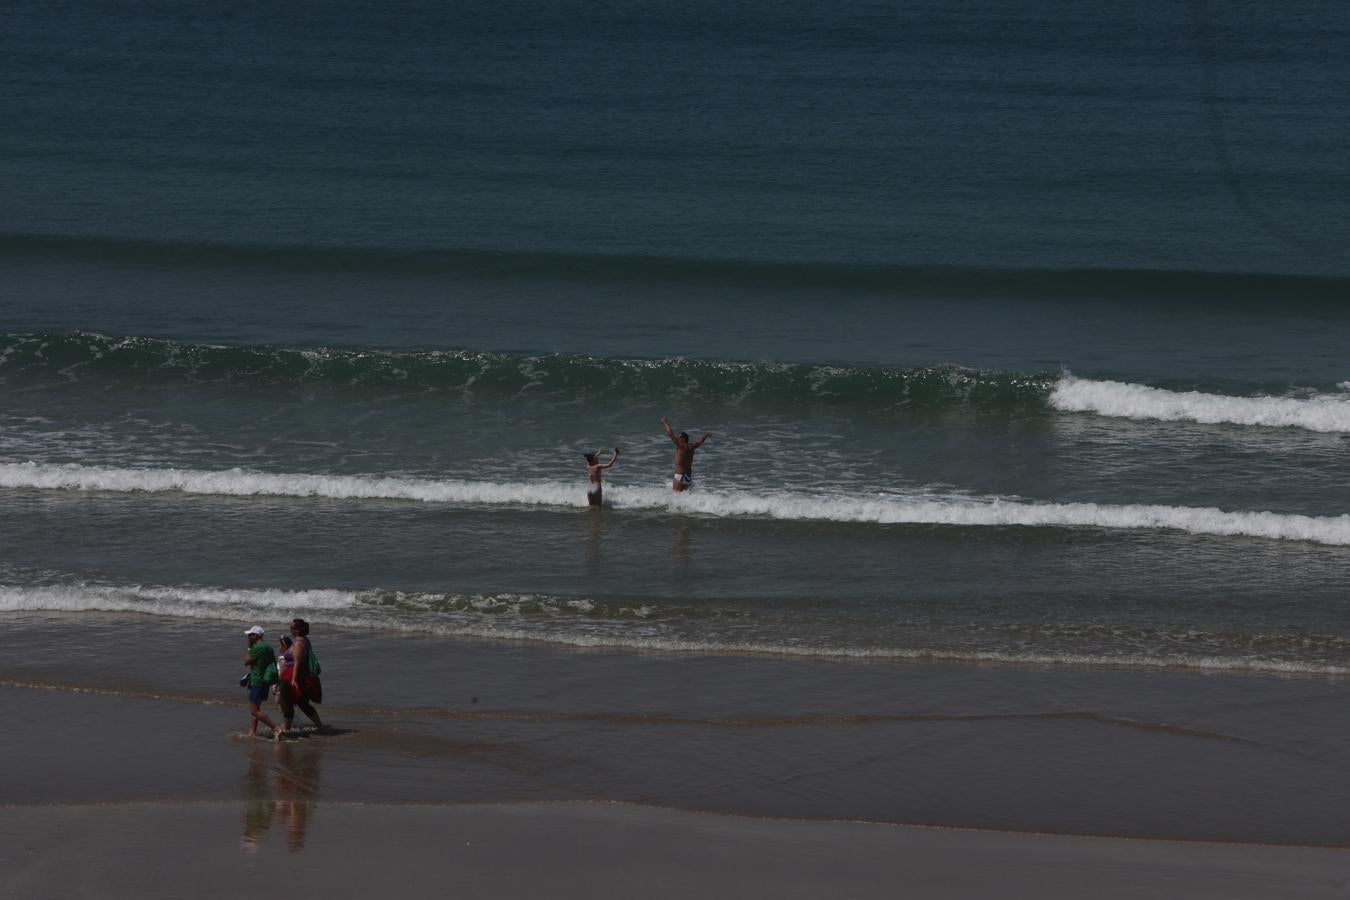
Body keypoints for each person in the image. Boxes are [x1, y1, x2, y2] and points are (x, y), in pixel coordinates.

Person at [287, 618, 325, 733]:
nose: (290, 630)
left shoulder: (299, 643)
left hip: (301, 677)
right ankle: (317, 725)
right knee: (302, 703)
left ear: (297, 630)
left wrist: (293, 679)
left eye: (291, 628)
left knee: (296, 702)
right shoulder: (305, 640)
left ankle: (287, 726)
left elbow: (297, 663)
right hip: (305, 676)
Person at [242, 625, 280, 738]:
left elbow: (246, 661)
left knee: (254, 711)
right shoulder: (268, 647)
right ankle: (252, 732)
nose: (248, 637)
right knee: (257, 708)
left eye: (250, 635)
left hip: (257, 680)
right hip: (264, 680)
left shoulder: (257, 647)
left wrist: (249, 648)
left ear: (256, 636)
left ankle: (275, 728)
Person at [660, 416, 710, 492]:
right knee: (685, 498)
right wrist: (705, 435)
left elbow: (670, 433)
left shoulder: (681, 446)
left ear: (683, 439)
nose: (677, 438)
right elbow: (701, 441)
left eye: (679, 437)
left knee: (676, 498)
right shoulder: (692, 446)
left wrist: (665, 422)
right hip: (688, 477)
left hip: (680, 476)